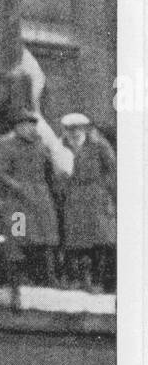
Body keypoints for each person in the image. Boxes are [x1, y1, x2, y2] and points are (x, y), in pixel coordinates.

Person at [0, 109, 59, 285]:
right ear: (16, 128)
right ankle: (18, 279)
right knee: (18, 237)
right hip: (16, 201)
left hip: (40, 196)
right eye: (23, 125)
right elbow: (0, 173)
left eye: (30, 124)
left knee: (45, 237)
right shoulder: (6, 146)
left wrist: (53, 189)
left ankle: (47, 277)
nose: (27, 128)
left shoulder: (41, 146)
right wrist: (17, 186)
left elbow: (50, 172)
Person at [58, 113, 116, 291]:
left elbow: (112, 169)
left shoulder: (99, 145)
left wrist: (103, 189)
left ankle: (97, 281)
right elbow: (56, 171)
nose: (74, 132)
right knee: (75, 240)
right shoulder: (61, 147)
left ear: (85, 129)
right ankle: (77, 279)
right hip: (74, 197)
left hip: (95, 197)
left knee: (99, 240)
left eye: (78, 128)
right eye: (70, 129)